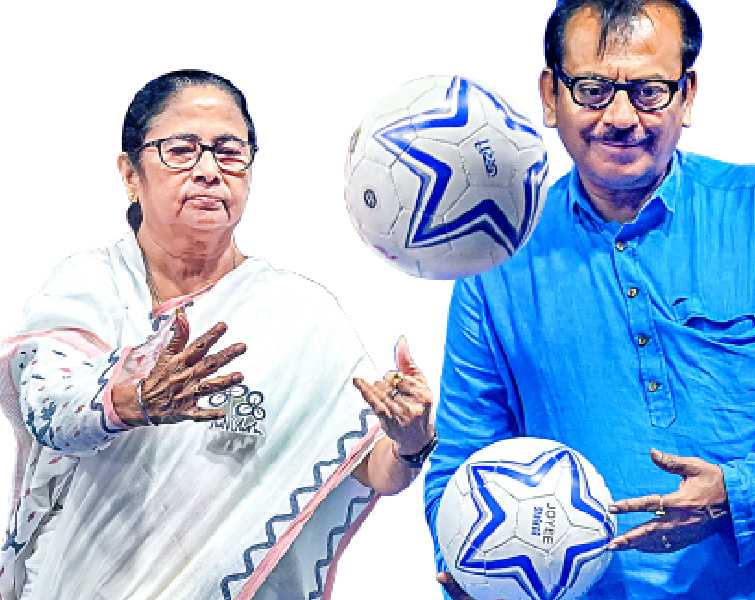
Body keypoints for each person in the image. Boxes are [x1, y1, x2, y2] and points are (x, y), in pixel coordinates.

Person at [424, 1, 755, 599]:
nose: (620, 117)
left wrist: (737, 495)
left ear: (687, 93)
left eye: (649, 91)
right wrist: (469, 571)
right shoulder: (499, 261)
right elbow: (465, 454)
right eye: (592, 90)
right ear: (550, 95)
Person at [0, 69, 437, 600]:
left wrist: (410, 443)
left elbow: (369, 469)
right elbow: (48, 410)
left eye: (230, 152)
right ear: (130, 173)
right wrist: (128, 400)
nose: (209, 171)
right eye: (181, 149)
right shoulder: (87, 287)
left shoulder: (299, 315)